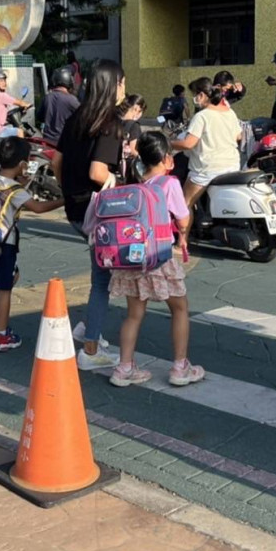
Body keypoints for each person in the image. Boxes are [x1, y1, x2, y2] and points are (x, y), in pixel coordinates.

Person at [104, 132, 202, 388]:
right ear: (167, 158)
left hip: (132, 260)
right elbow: (182, 218)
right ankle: (180, 367)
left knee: (134, 314)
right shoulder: (169, 184)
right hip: (158, 258)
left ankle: (124, 367)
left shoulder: (135, 186)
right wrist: (183, 230)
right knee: (179, 308)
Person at [52, 60, 127, 370]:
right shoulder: (109, 123)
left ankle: (86, 328)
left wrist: (70, 189)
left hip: (75, 207)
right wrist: (120, 184)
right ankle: (91, 351)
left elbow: (57, 160)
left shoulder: (77, 118)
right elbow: (99, 172)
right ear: (113, 86)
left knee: (101, 274)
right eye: (123, 83)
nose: (125, 89)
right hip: (98, 213)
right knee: (102, 281)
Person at [0, 137, 64, 351]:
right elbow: (38, 208)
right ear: (23, 164)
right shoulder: (17, 192)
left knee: (10, 276)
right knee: (5, 286)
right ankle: (1, 336)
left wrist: (22, 182)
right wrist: (65, 201)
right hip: (6, 243)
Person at [172, 77, 242, 212]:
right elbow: (238, 136)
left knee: (184, 206)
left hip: (208, 168)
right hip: (232, 165)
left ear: (202, 95)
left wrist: (170, 144)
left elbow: (188, 144)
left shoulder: (202, 116)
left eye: (194, 95)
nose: (194, 99)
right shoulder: (230, 112)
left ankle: (183, 234)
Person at [42, 67, 79, 142]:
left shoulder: (47, 97)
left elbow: (40, 117)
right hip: (63, 143)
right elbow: (83, 117)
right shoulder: (72, 100)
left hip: (46, 141)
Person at [118, 94, 147, 182]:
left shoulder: (117, 121)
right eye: (141, 111)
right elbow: (132, 149)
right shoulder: (134, 126)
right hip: (127, 167)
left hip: (116, 164)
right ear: (136, 109)